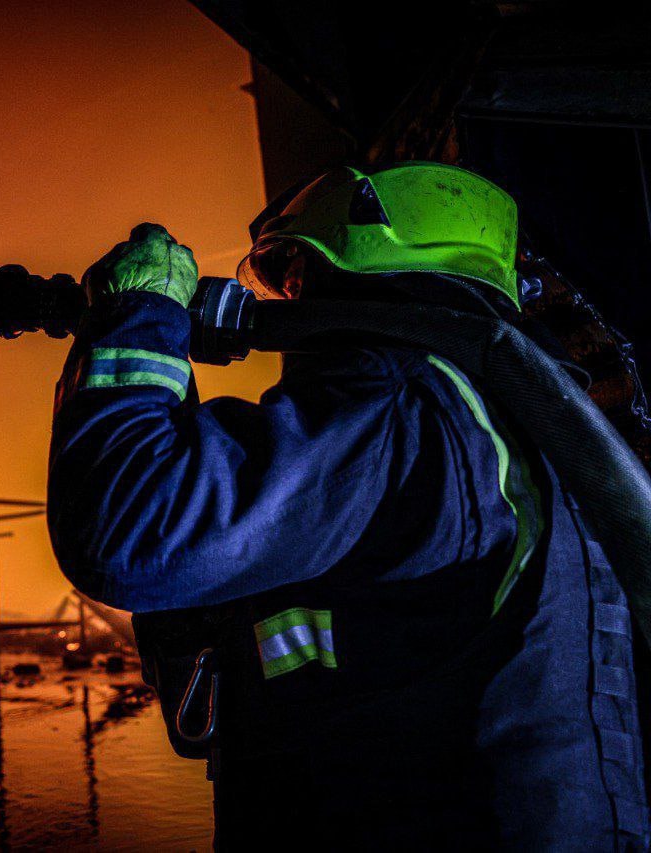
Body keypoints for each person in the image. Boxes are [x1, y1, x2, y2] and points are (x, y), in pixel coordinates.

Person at [46, 162, 648, 849]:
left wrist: (137, 320)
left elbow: (127, 529)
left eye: (299, 275)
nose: (289, 300)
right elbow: (211, 637)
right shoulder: (496, 417)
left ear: (369, 265)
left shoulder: (397, 406)